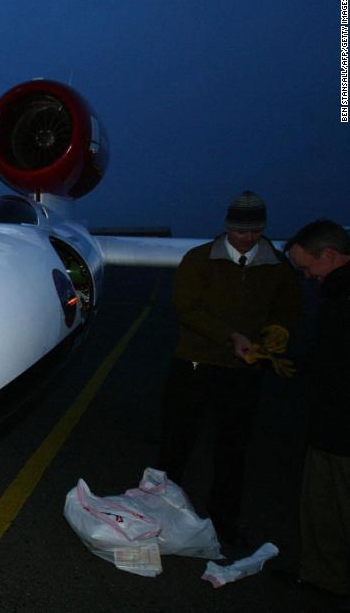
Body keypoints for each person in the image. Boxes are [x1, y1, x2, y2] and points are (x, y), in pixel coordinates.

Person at [155, 191, 302, 546]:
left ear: (263, 228)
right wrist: (231, 337)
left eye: (254, 231)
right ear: (226, 227)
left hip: (244, 373)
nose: (247, 237)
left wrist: (276, 333)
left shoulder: (278, 267)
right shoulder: (199, 259)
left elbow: (288, 308)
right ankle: (157, 511)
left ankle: (224, 522)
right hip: (194, 364)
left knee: (232, 449)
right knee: (176, 443)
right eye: (240, 231)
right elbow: (187, 309)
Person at [283, 219, 350, 599]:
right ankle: (324, 578)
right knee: (322, 506)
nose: (308, 278)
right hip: (328, 423)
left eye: (308, 268)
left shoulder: (344, 298)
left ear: (329, 255)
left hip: (342, 427)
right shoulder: (337, 296)